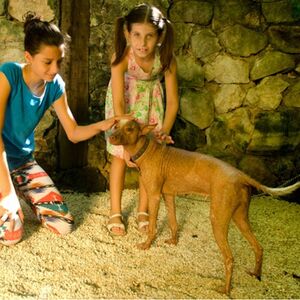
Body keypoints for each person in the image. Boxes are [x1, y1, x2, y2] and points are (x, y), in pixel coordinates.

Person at [0, 12, 131, 246]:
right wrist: (8, 192)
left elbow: (73, 132)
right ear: (29, 57)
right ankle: (11, 198)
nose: (55, 69)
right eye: (48, 62)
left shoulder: (55, 85)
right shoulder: (8, 74)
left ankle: (20, 194)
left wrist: (103, 125)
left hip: (21, 162)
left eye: (59, 61)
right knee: (11, 236)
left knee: (62, 225)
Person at [105, 3, 179, 236]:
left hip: (151, 107)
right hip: (124, 110)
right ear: (127, 33)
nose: (142, 43)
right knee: (119, 159)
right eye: (136, 35)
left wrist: (164, 130)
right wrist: (125, 143)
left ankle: (143, 210)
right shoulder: (121, 57)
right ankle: (115, 211)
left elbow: (174, 101)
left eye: (149, 36)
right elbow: (118, 103)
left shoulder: (166, 58)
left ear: (159, 36)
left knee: (149, 162)